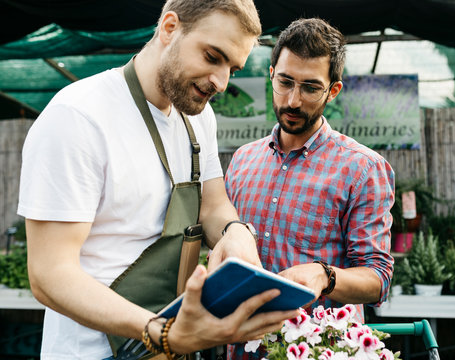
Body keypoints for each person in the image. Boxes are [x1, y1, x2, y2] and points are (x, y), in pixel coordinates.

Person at [17, 1, 300, 359]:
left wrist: (235, 232)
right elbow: (50, 275)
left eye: (232, 67)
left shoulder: (200, 117)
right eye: (213, 56)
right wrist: (162, 331)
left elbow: (212, 204)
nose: (222, 82)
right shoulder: (78, 117)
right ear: (169, 27)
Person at [225, 18, 395, 358]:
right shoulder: (242, 161)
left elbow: (378, 278)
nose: (292, 101)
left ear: (333, 90)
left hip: (320, 350)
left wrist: (325, 276)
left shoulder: (362, 168)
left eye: (310, 88)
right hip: (243, 347)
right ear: (271, 73)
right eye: (285, 82)